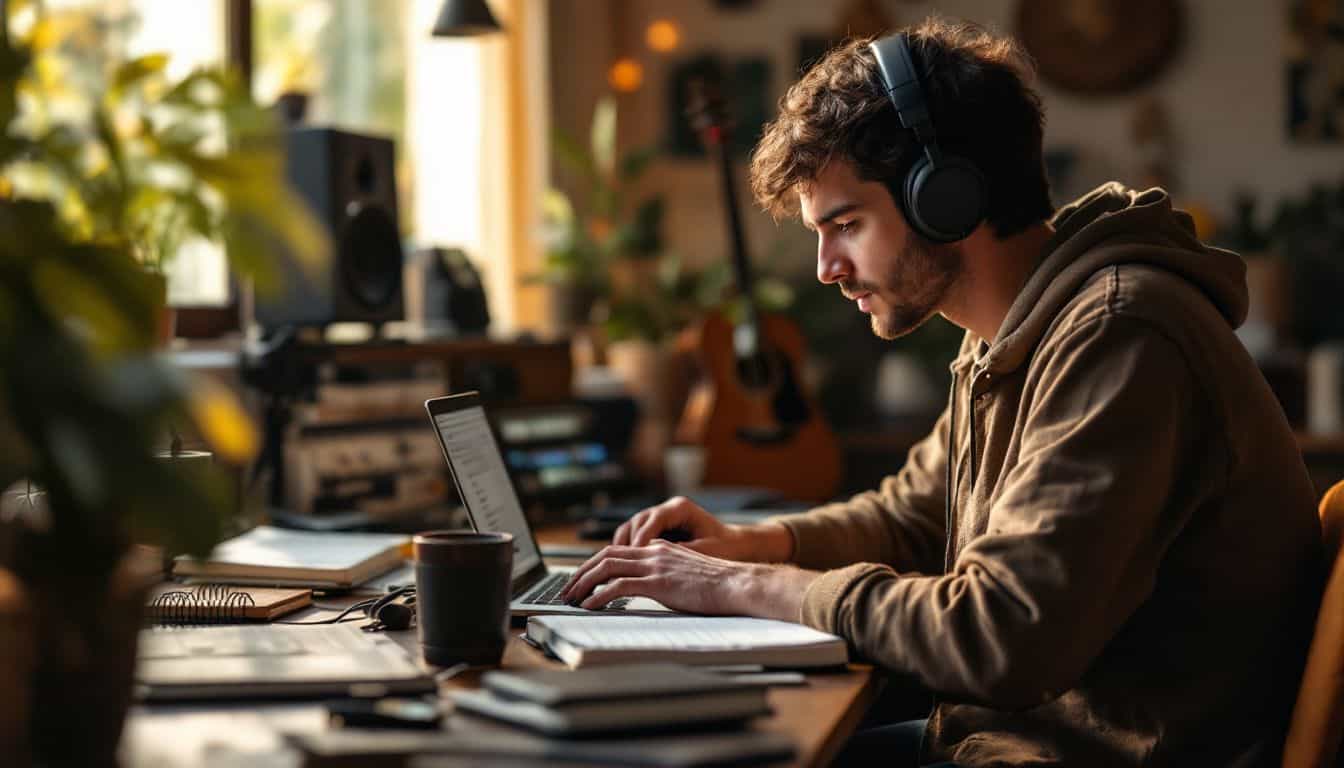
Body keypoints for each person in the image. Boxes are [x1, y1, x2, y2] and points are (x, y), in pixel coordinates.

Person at [560, 17, 1323, 768]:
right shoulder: (1013, 331)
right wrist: (751, 546)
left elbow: (1003, 637)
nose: (827, 267)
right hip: (1006, 742)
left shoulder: (1120, 335)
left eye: (847, 223)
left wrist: (751, 587)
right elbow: (913, 515)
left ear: (947, 197)